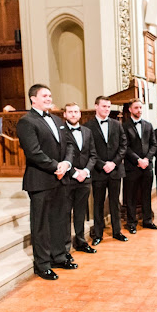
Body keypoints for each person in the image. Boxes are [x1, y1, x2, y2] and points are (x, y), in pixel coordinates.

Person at [17, 84, 76, 280]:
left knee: (59, 220)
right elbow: (33, 152)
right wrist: (55, 167)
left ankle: (59, 256)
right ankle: (42, 264)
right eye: (44, 96)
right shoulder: (26, 122)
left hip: (60, 178)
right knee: (41, 224)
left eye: (50, 95)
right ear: (33, 99)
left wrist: (66, 163)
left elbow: (69, 144)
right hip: (41, 180)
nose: (49, 98)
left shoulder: (58, 119)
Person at [84, 96, 128, 244]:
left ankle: (117, 231)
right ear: (96, 106)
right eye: (104, 106)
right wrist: (102, 164)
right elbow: (89, 150)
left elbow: (123, 146)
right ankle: (98, 234)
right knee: (98, 203)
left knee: (115, 202)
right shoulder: (88, 126)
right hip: (98, 171)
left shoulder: (117, 124)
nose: (107, 109)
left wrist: (114, 163)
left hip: (115, 170)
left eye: (109, 107)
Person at [62, 103, 97, 255]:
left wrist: (86, 171)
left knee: (80, 212)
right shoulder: (60, 132)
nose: (73, 114)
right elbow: (60, 156)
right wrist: (74, 173)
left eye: (76, 112)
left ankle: (81, 241)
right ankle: (65, 247)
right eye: (70, 112)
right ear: (65, 114)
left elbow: (93, 155)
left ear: (80, 114)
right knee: (65, 213)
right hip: (68, 179)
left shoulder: (87, 131)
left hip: (85, 178)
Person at [123, 98, 157, 234]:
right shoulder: (125, 126)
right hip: (132, 167)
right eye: (136, 108)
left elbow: (153, 144)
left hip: (147, 166)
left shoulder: (148, 125)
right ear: (130, 109)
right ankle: (131, 223)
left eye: (140, 107)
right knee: (131, 196)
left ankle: (147, 220)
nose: (139, 110)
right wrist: (138, 160)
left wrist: (147, 159)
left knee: (146, 194)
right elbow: (125, 147)